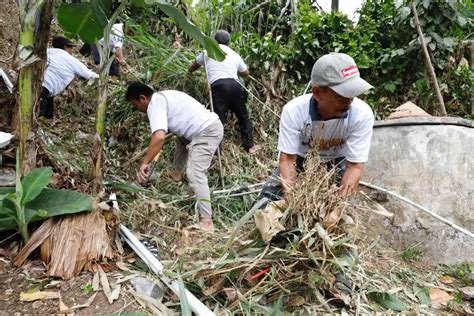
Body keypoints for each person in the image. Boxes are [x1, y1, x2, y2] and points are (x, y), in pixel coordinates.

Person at [259, 53, 375, 204]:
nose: (349, 102)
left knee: (345, 207)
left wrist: (337, 209)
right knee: (264, 204)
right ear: (318, 93)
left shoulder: (362, 114)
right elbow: (287, 159)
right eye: (342, 95)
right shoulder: (294, 111)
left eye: (352, 94)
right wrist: (293, 198)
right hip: (301, 161)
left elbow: (354, 167)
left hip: (336, 162)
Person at [125, 82, 223, 232]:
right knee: (181, 139)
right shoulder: (164, 97)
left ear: (143, 98)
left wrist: (145, 163)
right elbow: (161, 137)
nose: (137, 109)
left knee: (195, 174)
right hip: (205, 128)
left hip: (207, 132)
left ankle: (207, 221)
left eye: (135, 105)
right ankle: (176, 174)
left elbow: (158, 138)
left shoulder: (155, 104)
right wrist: (152, 157)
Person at [188, 30, 261, 154]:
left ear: (214, 41)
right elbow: (246, 73)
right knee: (243, 116)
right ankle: (249, 146)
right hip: (235, 85)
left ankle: (217, 150)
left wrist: (189, 72)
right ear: (229, 42)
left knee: (217, 119)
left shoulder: (207, 51)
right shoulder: (234, 54)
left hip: (219, 86)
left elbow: (195, 65)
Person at [40, 36, 99, 119]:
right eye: (71, 47)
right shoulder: (71, 60)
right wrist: (105, 78)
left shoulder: (45, 52)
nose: (72, 50)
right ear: (65, 47)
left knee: (47, 116)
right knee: (34, 118)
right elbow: (89, 75)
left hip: (37, 85)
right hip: (45, 89)